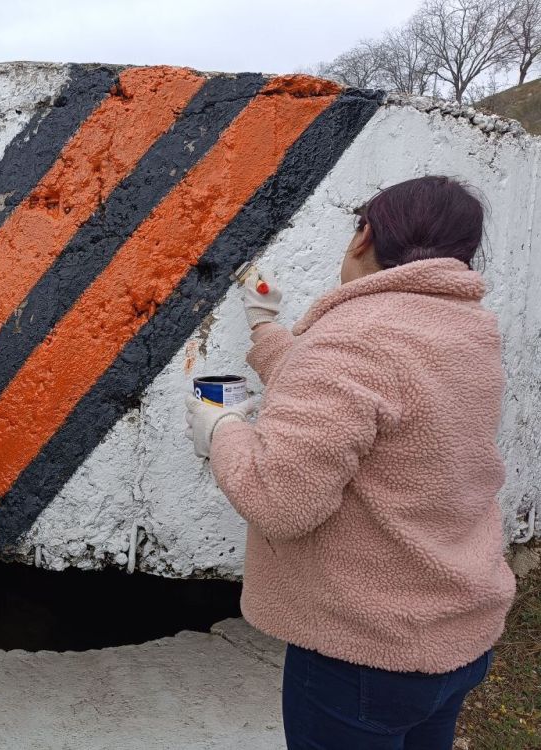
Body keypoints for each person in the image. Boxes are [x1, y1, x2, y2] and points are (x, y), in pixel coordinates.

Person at [184, 176, 516, 749]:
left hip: (365, 654)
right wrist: (266, 325)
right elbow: (362, 393)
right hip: (454, 637)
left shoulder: (352, 338)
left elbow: (278, 500)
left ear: (365, 235)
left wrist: (222, 431)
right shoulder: (466, 329)